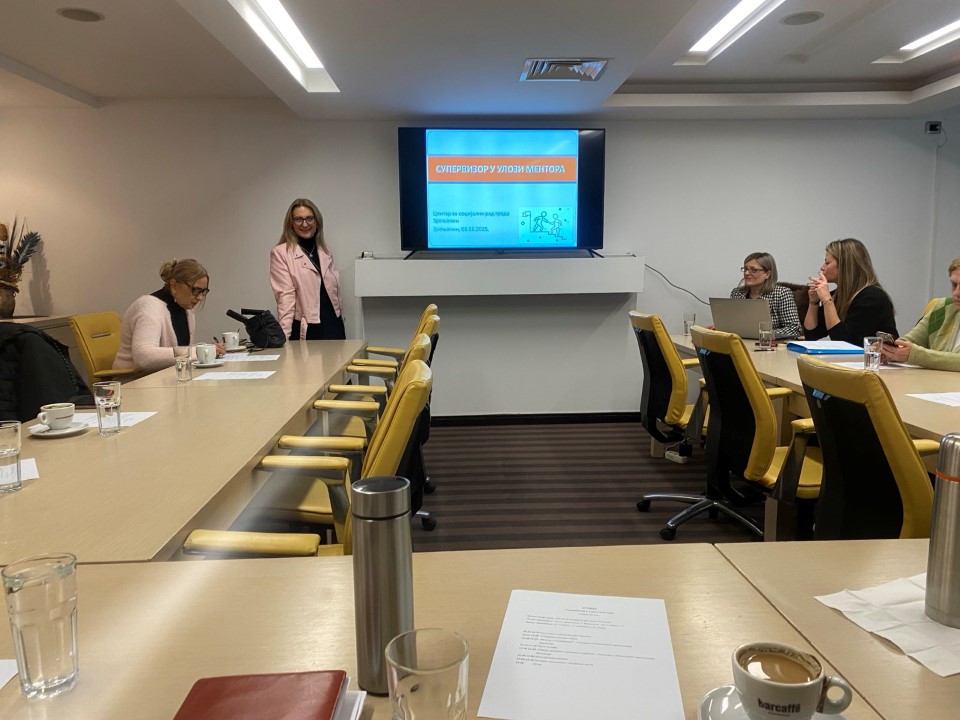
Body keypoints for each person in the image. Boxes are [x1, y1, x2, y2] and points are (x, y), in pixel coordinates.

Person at [113, 259, 223, 374]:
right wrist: (196, 352)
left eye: (204, 292)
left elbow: (180, 350)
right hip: (134, 380)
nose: (200, 297)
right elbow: (143, 358)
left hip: (164, 377)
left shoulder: (186, 309)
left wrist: (206, 349)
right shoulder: (148, 307)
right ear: (174, 286)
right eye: (196, 290)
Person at [269, 198, 345, 341]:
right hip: (308, 329)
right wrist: (284, 338)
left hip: (334, 326)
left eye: (309, 218)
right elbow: (285, 298)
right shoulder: (281, 253)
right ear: (291, 223)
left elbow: (333, 292)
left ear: (317, 221)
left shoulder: (325, 250)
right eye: (298, 219)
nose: (305, 224)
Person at [804, 238, 898, 344]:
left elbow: (845, 341)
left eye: (827, 262)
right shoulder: (838, 295)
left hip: (876, 355)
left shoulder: (872, 297)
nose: (822, 268)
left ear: (844, 265)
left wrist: (827, 300)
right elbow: (811, 335)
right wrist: (813, 303)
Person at [880, 257, 960, 371]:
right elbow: (911, 340)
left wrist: (915, 355)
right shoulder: (943, 307)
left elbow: (914, 353)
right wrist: (891, 351)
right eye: (954, 285)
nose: (956, 293)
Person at [729, 252, 801, 339]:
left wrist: (764, 333)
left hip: (769, 344)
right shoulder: (737, 293)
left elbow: (794, 329)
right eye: (745, 269)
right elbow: (733, 324)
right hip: (741, 342)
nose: (746, 273)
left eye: (753, 270)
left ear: (767, 274)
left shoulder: (782, 293)